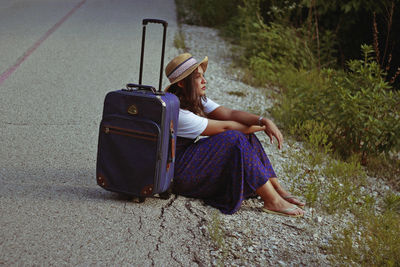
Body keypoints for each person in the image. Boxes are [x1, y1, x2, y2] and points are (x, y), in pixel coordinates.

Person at [164, 53, 305, 217]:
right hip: (180, 174)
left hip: (188, 161)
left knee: (246, 136)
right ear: (181, 83)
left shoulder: (194, 98)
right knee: (235, 137)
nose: (204, 81)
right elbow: (226, 127)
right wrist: (263, 127)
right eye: (198, 77)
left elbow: (229, 113)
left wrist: (262, 120)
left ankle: (277, 189)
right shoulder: (179, 113)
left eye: (203, 76)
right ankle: (272, 201)